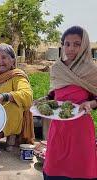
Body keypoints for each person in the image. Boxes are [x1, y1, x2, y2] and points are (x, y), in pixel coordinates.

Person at [43, 26, 97, 179]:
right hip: (58, 126)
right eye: (67, 44)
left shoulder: (92, 71)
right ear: (62, 45)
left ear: (84, 45)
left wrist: (90, 104)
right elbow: (54, 93)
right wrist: (44, 101)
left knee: (80, 169)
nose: (71, 48)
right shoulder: (57, 69)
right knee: (54, 168)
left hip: (80, 128)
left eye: (77, 44)